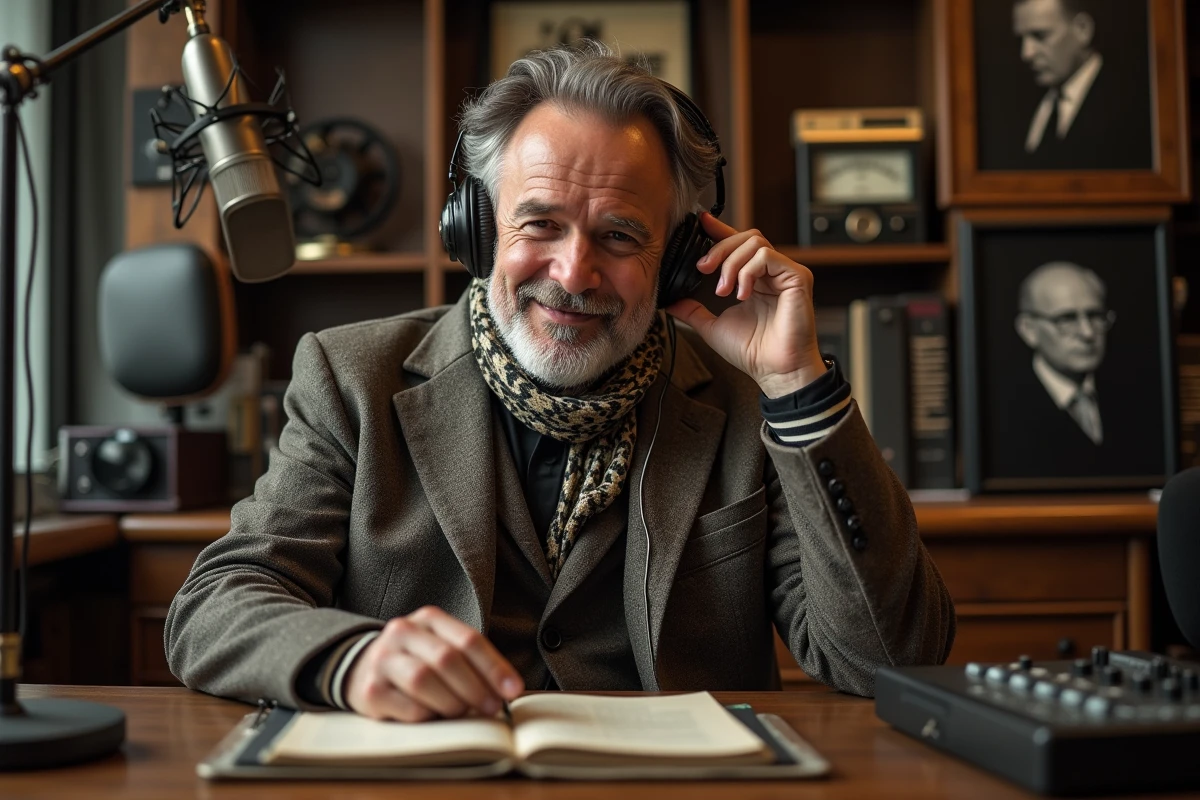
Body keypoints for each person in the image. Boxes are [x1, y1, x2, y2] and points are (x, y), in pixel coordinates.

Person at [165, 43, 955, 722]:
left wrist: (797, 385)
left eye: (619, 235)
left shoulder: (754, 404)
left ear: (680, 255)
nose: (574, 273)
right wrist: (350, 662)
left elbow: (889, 657)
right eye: (539, 224)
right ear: (476, 226)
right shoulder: (351, 378)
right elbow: (217, 604)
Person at [1009, 0, 1150, 169]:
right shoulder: (1019, 105)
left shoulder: (1136, 104)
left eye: (1040, 36)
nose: (1026, 53)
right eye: (1021, 40)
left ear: (1083, 29)